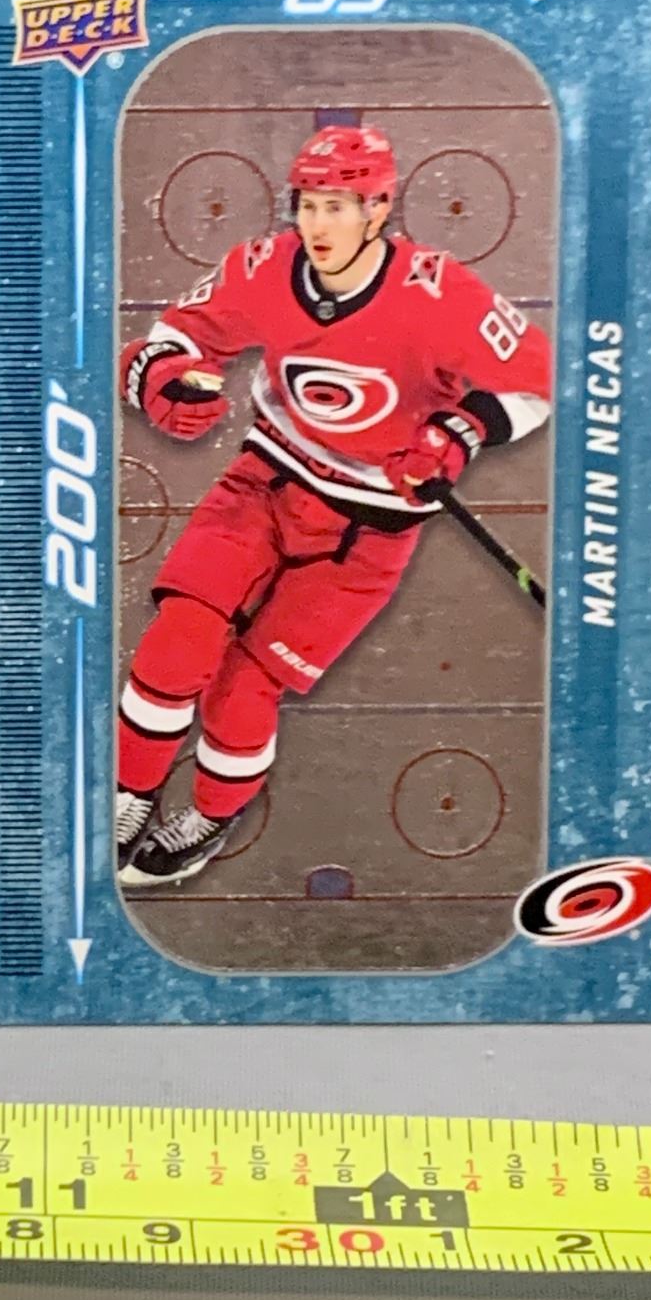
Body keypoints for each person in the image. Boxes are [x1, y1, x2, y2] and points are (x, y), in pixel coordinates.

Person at [115, 124, 550, 885]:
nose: (318, 224)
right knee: (178, 640)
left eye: (339, 207)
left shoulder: (440, 293)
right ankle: (129, 795)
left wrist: (460, 431)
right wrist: (163, 380)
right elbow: (176, 335)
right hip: (264, 481)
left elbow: (541, 377)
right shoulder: (263, 267)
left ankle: (210, 816)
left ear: (378, 209)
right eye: (309, 204)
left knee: (244, 689)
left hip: (369, 531)